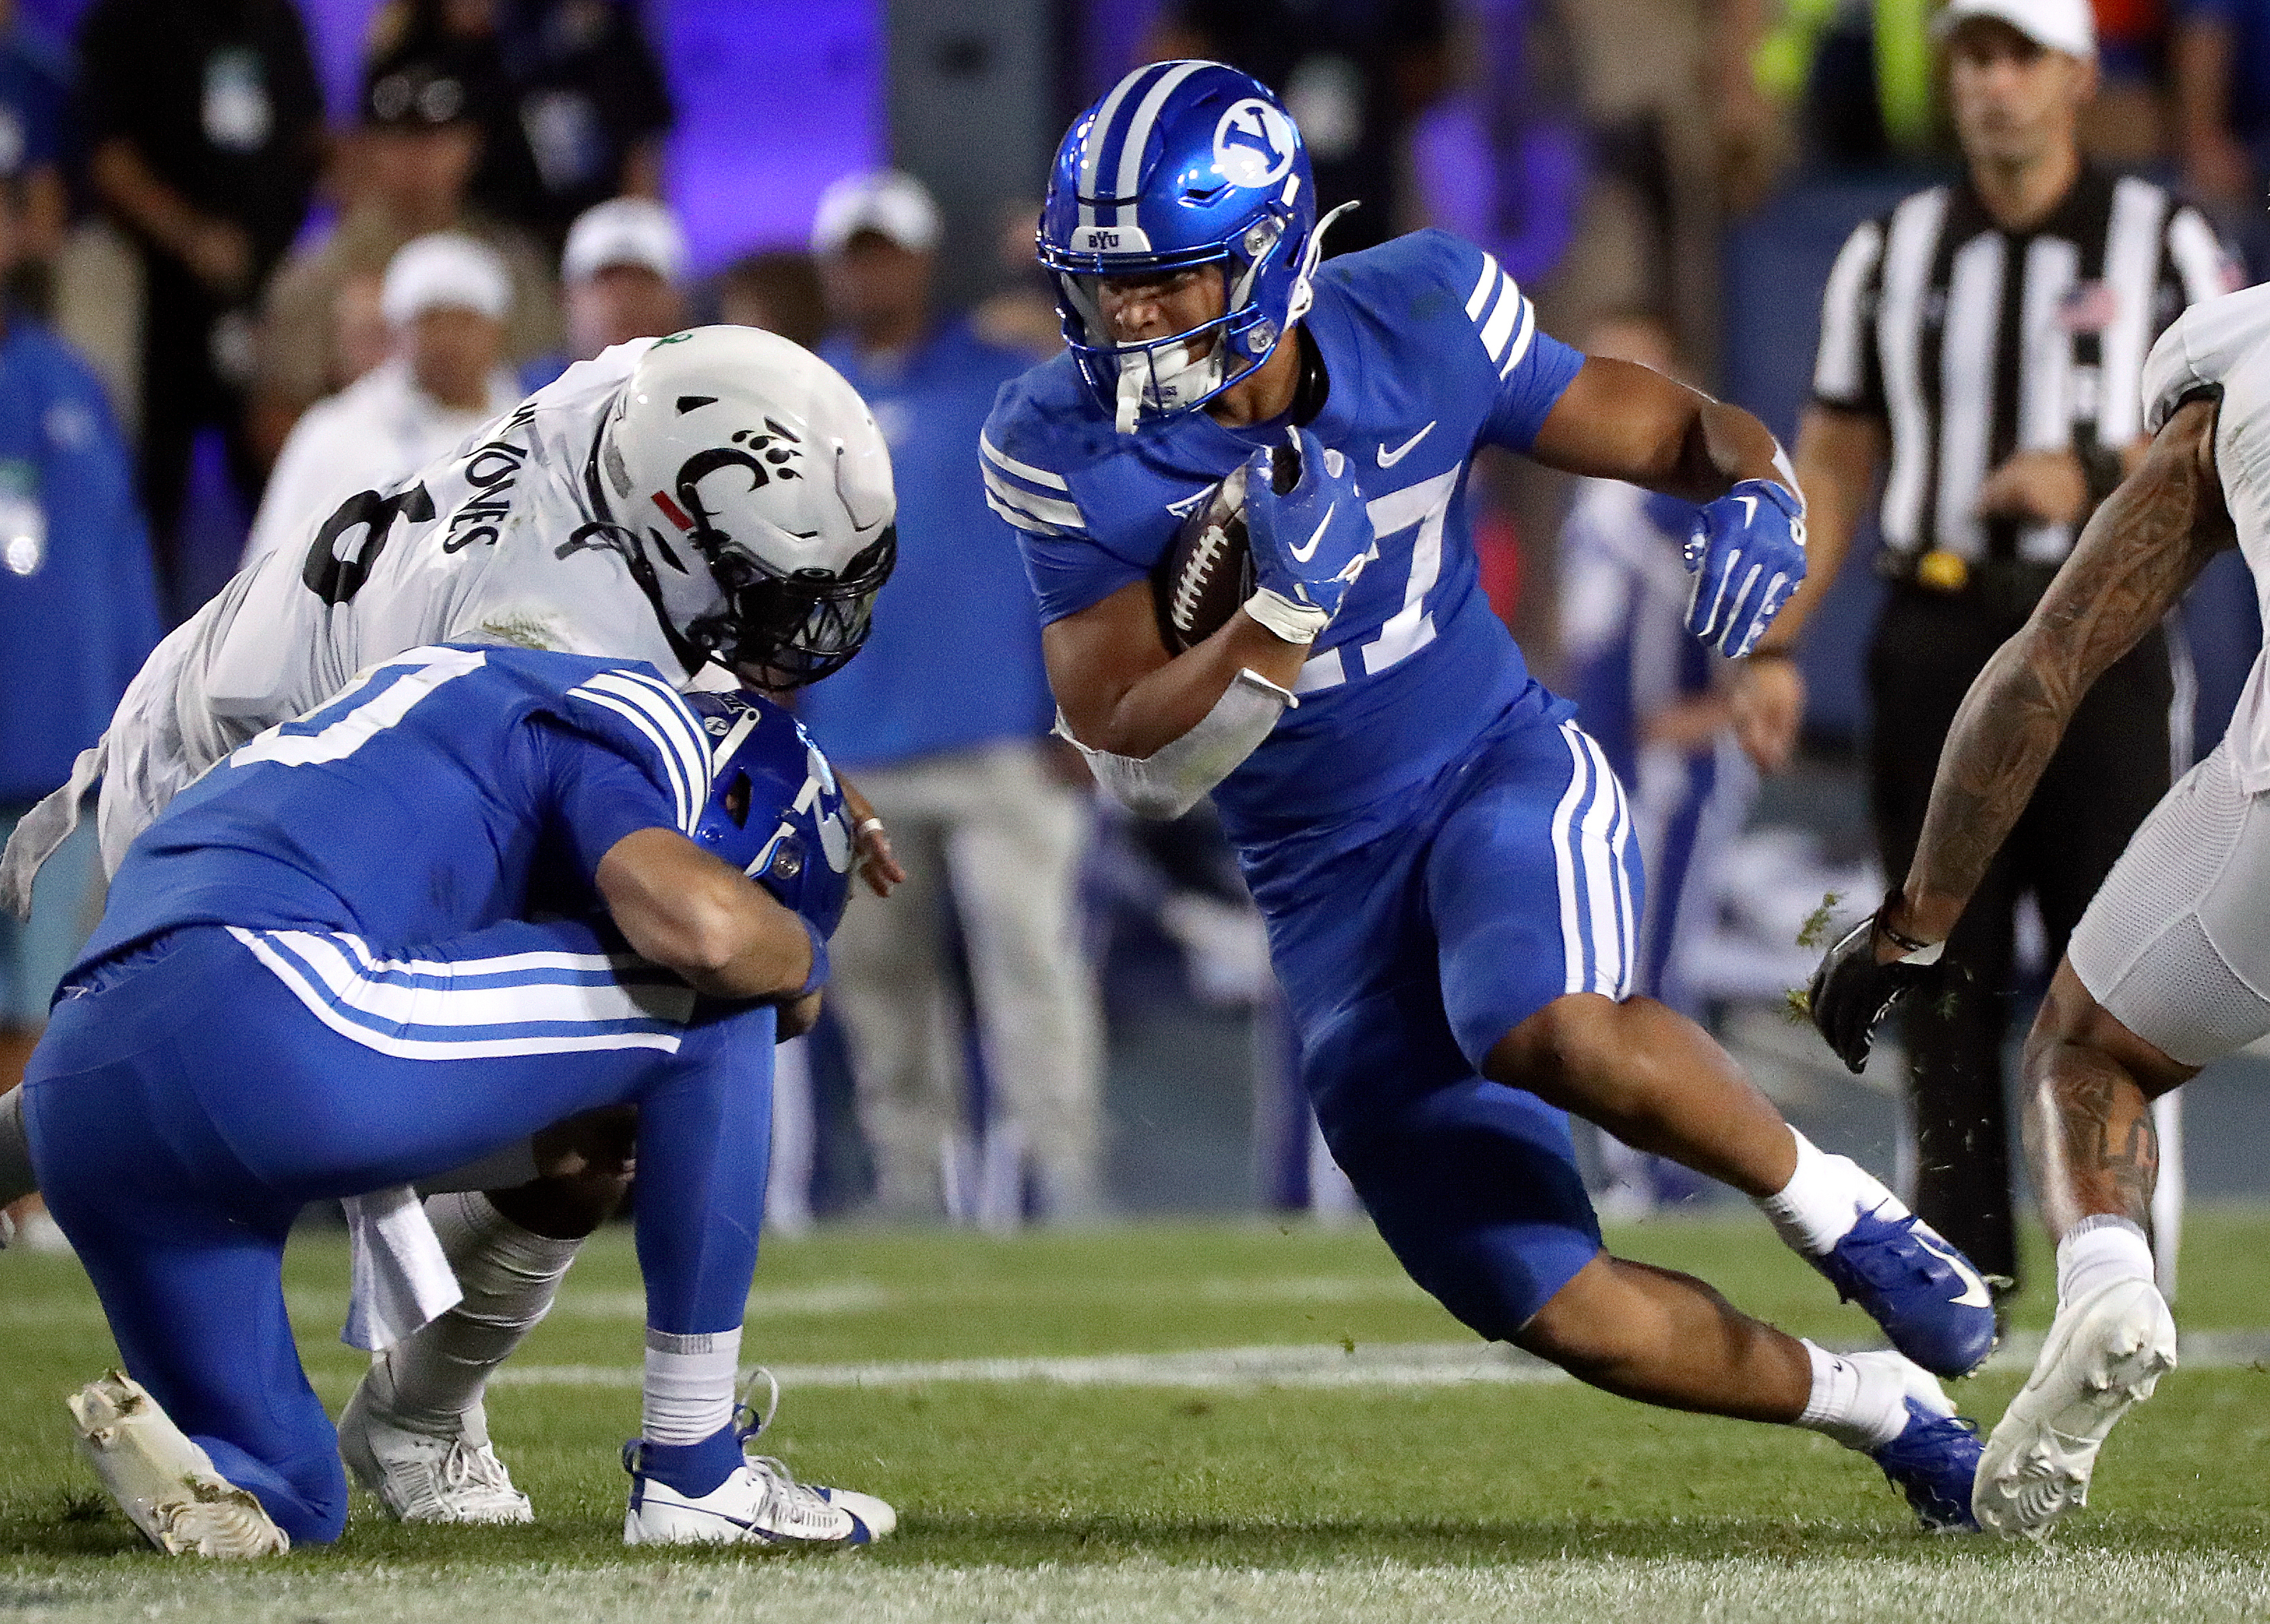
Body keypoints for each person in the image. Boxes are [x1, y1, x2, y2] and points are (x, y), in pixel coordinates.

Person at [987, 59, 1999, 1529]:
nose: (1126, 320)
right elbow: (1132, 752)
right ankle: (1882, 1406)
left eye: (1163, 281)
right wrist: (1278, 617)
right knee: (1552, 1299)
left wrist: (1761, 484)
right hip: (1322, 892)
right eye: (1104, 285)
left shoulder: (1422, 312)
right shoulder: (1058, 438)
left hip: (1490, 769)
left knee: (1540, 1020)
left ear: (1268, 256)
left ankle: (1845, 1211)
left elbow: (1673, 428)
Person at [0, 325, 902, 1525]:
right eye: (768, 588)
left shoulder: (614, 414)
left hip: (141, 980)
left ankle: (282, 1444)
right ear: (681, 532)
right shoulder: (559, 641)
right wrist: (793, 945)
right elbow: (694, 925)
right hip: (222, 810)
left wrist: (806, 783)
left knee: (287, 1499)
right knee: (677, 1025)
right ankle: (647, 1461)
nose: (785, 629)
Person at [26, 644, 892, 1554]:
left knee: (290, 1502)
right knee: (718, 1005)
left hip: (80, 1083)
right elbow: (710, 934)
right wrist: (796, 962)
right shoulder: (622, 726)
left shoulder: (435, 722)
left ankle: (198, 1472)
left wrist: (547, 1142)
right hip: (273, 1008)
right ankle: (696, 1473)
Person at [1730, 0, 2229, 1302]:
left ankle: (2124, 1281)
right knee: (1934, 971)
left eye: (2017, 57)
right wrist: (1779, 641)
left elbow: (2241, 434)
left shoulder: (2164, 238)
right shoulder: (1890, 249)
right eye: (1972, 58)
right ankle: (1960, 1292)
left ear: (2076, 76)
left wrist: (2097, 469)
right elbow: (1835, 457)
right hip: (1940, 632)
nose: (1992, 84)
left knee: (2122, 972)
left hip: (2108, 637)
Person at [1804, 272, 2270, 1538]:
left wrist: (1914, 922)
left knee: (2086, 1048)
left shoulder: (2240, 347)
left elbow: (2049, 662)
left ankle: (2108, 1279)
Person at [801, 170, 1104, 1224]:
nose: (870, 274)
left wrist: (1078, 708)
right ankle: (910, 1186)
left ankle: (1062, 1178)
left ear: (924, 263)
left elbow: (1086, 530)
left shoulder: (1004, 378)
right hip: (853, 743)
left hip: (1003, 740)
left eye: (887, 253)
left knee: (1032, 965)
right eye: (855, 256)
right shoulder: (799, 396)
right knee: (881, 988)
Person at [1556, 311, 1754, 1215]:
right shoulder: (1591, 495)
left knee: (1649, 973)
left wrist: (1713, 711)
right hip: (1605, 769)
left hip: (1672, 772)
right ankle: (1646, 1167)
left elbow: (1760, 622)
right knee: (1606, 976)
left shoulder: (1687, 500)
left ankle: (1666, 1173)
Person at [0, 170, 163, 1251]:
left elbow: (120, 558)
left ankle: (27, 1198)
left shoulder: (68, 380)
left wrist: (139, 717)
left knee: (46, 990)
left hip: (55, 755)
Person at [76, 0, 326, 608]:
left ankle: (291, 629)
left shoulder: (274, 18)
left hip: (264, 292)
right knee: (151, 491)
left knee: (281, 476)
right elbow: (107, 157)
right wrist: (191, 237)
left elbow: (310, 137)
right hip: (153, 297)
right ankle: (147, 645)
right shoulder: (125, 22)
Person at [250, 45, 558, 468]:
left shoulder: (514, 265)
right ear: (369, 148)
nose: (419, 158)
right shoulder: (318, 273)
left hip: (502, 477)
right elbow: (274, 416)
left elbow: (551, 389)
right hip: (364, 483)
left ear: (470, 146)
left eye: (436, 139)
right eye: (401, 139)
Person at [243, 233, 523, 568]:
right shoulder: (334, 433)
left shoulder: (531, 434)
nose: (448, 341)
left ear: (496, 330)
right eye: (431, 322)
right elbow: (274, 564)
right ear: (398, 331)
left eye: (464, 322)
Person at [520, 195, 689, 392]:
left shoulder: (708, 390)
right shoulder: (514, 396)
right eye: (606, 280)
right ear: (566, 297)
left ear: (679, 299)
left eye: (643, 280)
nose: (626, 297)